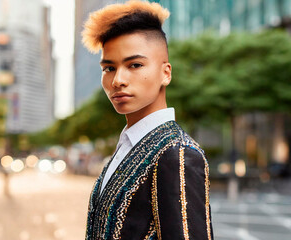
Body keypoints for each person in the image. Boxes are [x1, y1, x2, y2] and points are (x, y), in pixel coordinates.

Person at [82, 1, 213, 239]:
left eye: (134, 65)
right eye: (109, 68)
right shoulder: (127, 145)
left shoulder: (177, 153)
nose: (118, 80)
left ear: (166, 73)